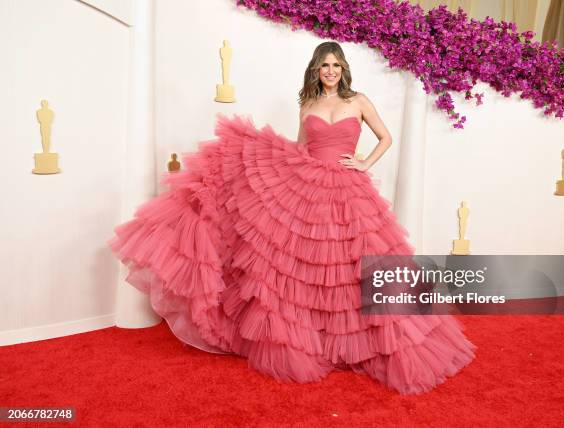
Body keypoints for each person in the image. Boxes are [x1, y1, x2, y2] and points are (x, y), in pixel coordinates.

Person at [108, 41, 476, 395]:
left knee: (355, 266)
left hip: (348, 190)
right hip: (309, 188)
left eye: (336, 65)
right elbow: (300, 149)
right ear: (316, 71)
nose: (330, 71)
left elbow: (385, 137)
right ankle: (316, 340)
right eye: (324, 66)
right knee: (308, 270)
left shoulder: (358, 100)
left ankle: (364, 341)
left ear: (344, 69)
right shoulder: (309, 104)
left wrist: (363, 163)